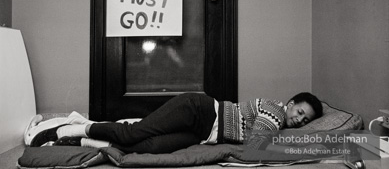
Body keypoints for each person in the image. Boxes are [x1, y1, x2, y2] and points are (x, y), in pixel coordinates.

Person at [30, 92, 323, 154]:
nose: (299, 121)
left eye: (305, 121)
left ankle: (80, 138)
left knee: (148, 146)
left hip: (203, 135)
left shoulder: (280, 127)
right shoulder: (275, 110)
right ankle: (71, 126)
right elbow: (258, 145)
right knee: (134, 133)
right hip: (200, 111)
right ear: (292, 104)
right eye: (300, 113)